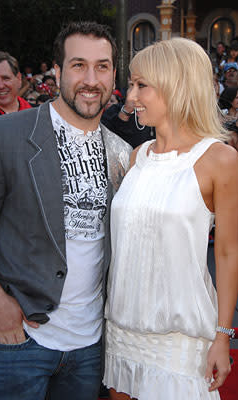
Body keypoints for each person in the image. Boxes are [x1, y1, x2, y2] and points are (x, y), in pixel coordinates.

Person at [0, 21, 132, 400]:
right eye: (78, 65)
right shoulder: (3, 136)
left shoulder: (122, 153)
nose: (91, 79)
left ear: (113, 74)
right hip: (18, 341)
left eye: (102, 66)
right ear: (57, 72)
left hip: (90, 347)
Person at [103, 37, 238, 400]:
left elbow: (227, 254)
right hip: (122, 331)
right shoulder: (137, 157)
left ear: (176, 85)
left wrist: (223, 335)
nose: (130, 97)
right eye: (131, 84)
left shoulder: (219, 159)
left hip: (180, 341)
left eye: (141, 85)